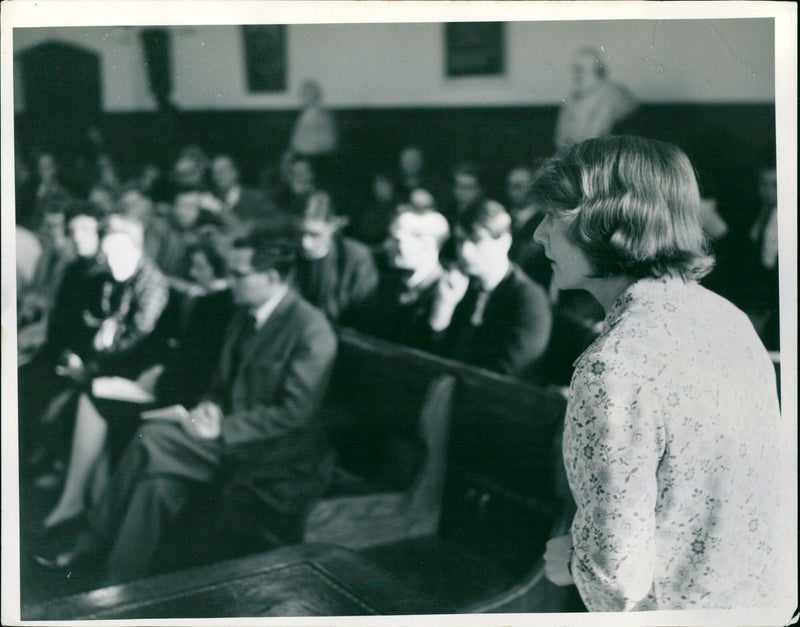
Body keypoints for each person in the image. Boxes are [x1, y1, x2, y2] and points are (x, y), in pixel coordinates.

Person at [536, 136, 790, 611]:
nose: (538, 234)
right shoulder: (726, 317)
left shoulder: (614, 365)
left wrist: (569, 562)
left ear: (606, 225)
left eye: (553, 216)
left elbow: (616, 581)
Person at [40, 225, 338, 583]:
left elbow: (295, 414)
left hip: (275, 454)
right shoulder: (246, 316)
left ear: (272, 277)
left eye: (238, 274)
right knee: (158, 485)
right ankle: (117, 584)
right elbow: (220, 383)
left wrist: (223, 426)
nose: (229, 281)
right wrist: (211, 405)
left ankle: (93, 539)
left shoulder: (310, 329)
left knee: (151, 436)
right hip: (228, 441)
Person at [39, 242, 235, 532]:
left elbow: (199, 366)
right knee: (95, 395)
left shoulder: (218, 305)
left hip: (181, 399)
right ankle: (84, 503)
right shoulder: (209, 301)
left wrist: (157, 379)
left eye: (199, 267)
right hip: (169, 384)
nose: (193, 273)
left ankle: (81, 504)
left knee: (96, 399)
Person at [429, 199, 552, 377]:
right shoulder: (458, 286)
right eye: (460, 240)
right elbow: (431, 360)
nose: (464, 251)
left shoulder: (529, 299)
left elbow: (507, 376)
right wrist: (441, 315)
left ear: (504, 242)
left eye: (475, 241)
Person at [357, 203, 450, 349]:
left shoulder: (445, 292)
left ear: (427, 244)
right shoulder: (388, 279)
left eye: (396, 240)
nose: (387, 245)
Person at [295, 191, 379, 323]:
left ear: (333, 226)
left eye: (315, 234)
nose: (305, 244)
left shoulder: (356, 257)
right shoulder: (288, 254)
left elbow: (363, 314)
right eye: (300, 233)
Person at [554, 47, 637, 149]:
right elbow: (560, 139)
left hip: (598, 155)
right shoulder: (572, 98)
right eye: (576, 70)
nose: (578, 75)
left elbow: (595, 138)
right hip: (572, 155)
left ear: (599, 71)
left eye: (583, 70)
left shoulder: (612, 94)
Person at [210, 154, 274, 226]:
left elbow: (277, 220)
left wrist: (251, 226)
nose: (218, 176)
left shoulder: (255, 197)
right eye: (215, 172)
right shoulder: (211, 200)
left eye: (223, 171)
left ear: (236, 172)